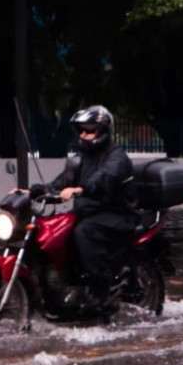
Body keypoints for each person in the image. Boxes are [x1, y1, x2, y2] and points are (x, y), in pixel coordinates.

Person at [46, 105, 137, 309]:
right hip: (91, 211)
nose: (84, 135)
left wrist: (80, 189)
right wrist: (32, 191)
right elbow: (60, 183)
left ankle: (99, 291)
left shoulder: (116, 156)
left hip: (117, 213)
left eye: (89, 130)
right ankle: (66, 283)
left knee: (84, 231)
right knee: (57, 230)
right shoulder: (82, 158)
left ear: (103, 130)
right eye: (81, 131)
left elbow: (105, 177)